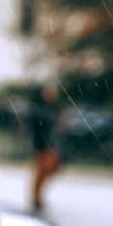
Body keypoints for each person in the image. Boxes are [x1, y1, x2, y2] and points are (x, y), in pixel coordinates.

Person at [28, 81, 64, 212]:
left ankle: (37, 196)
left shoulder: (54, 108)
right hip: (43, 145)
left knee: (50, 169)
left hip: (52, 145)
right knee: (42, 171)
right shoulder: (40, 109)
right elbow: (37, 128)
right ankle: (36, 197)